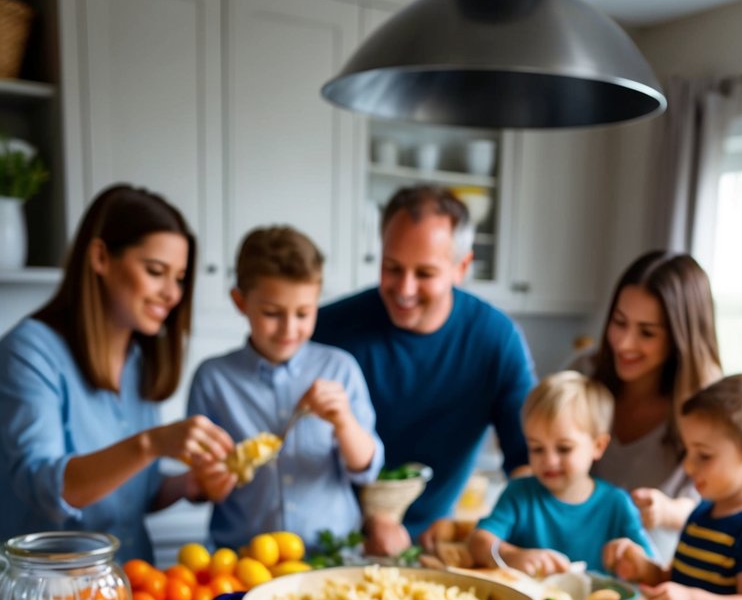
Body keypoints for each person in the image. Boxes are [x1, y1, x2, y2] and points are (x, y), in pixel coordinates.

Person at [0, 184, 234, 563]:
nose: (172, 294)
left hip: (131, 586)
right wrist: (152, 443)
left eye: (179, 278)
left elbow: (135, 492)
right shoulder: (29, 351)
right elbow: (50, 489)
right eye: (155, 271)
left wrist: (192, 484)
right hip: (49, 598)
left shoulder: (139, 360)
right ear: (101, 257)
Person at [313, 185, 535, 555]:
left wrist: (503, 536)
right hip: (329, 539)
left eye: (425, 273)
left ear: (461, 267)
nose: (404, 288)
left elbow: (527, 462)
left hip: (435, 547)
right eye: (392, 268)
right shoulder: (329, 329)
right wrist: (373, 519)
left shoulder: (496, 339)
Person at [187, 225, 383, 552]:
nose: (289, 329)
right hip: (243, 563)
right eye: (272, 313)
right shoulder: (212, 379)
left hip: (333, 557)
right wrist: (210, 481)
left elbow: (366, 470)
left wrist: (344, 422)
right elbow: (201, 485)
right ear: (240, 301)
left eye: (304, 313)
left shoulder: (340, 368)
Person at [603, 374, 742, 600]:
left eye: (704, 455)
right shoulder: (701, 513)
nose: (689, 467)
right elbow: (682, 578)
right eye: (687, 452)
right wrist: (646, 569)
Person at [588, 250, 723, 561]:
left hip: (657, 580)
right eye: (619, 322)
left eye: (646, 332)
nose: (624, 343)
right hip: (575, 567)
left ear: (680, 337)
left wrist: (667, 512)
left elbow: (723, 509)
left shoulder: (711, 405)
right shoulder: (584, 375)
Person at [468, 371, 654, 574]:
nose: (549, 461)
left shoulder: (617, 504)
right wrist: (510, 555)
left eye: (564, 448)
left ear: (598, 446)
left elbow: (649, 570)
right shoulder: (519, 494)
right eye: (537, 448)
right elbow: (478, 541)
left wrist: (634, 560)